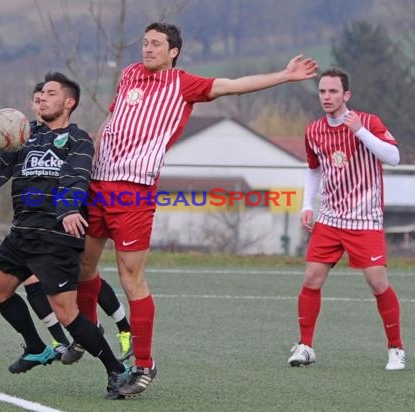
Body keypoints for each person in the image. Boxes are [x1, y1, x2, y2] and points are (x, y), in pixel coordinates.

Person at [75, 21, 319, 397]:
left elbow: (234, 85)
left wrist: (285, 76)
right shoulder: (129, 74)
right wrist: (93, 144)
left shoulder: (183, 84)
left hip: (134, 191)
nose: (148, 48)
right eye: (145, 43)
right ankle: (87, 332)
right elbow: (113, 118)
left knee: (129, 276)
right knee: (83, 265)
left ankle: (144, 364)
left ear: (173, 51)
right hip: (98, 183)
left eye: (156, 44)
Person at [0, 71, 130, 399]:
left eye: (50, 93)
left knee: (66, 314)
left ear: (69, 102)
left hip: (56, 236)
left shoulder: (78, 139)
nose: (41, 98)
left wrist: (68, 209)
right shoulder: (22, 136)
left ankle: (118, 371)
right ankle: (36, 347)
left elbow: (76, 176)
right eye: (38, 95)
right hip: (21, 234)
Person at [286, 67, 405, 371]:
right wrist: (306, 205)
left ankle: (396, 349)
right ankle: (305, 345)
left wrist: (360, 132)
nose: (327, 97)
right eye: (323, 91)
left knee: (377, 282)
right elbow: (313, 169)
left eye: (333, 91)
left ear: (346, 95)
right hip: (330, 217)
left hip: (365, 219)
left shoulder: (367, 122)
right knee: (311, 278)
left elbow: (393, 157)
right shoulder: (314, 130)